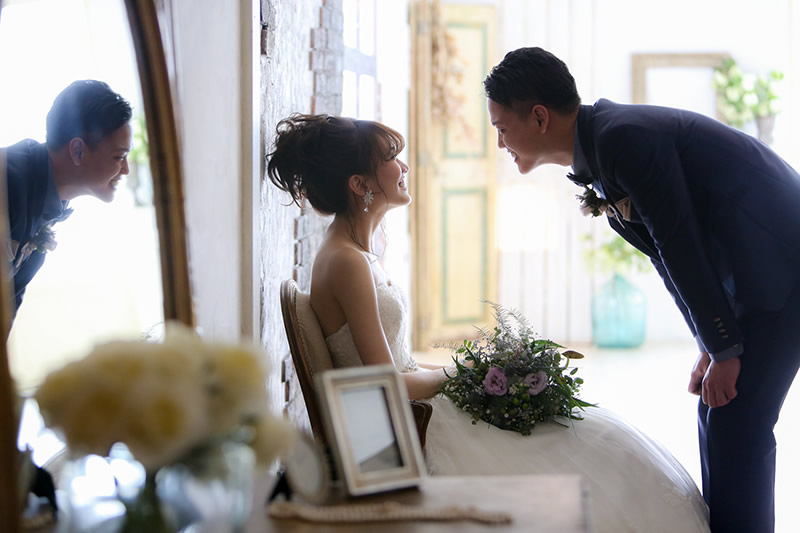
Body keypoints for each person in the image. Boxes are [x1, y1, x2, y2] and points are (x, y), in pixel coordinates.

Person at [267, 113, 710, 532]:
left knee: (593, 435)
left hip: (408, 412)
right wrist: (467, 373)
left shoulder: (359, 252)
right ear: (360, 184)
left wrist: (474, 369)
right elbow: (387, 384)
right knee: (586, 449)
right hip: (399, 431)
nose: (404, 166)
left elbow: (396, 367)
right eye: (391, 158)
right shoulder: (346, 262)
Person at [483, 46, 800, 533]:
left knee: (738, 422)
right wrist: (712, 344)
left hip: (783, 268)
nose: (500, 142)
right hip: (757, 277)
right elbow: (665, 256)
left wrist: (725, 348)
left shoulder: (623, 138)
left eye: (502, 128)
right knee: (718, 413)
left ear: (540, 117)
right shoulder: (603, 147)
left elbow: (679, 243)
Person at [2, 80, 133, 315]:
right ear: (78, 151)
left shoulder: (46, 200)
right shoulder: (8, 183)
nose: (126, 170)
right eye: (119, 157)